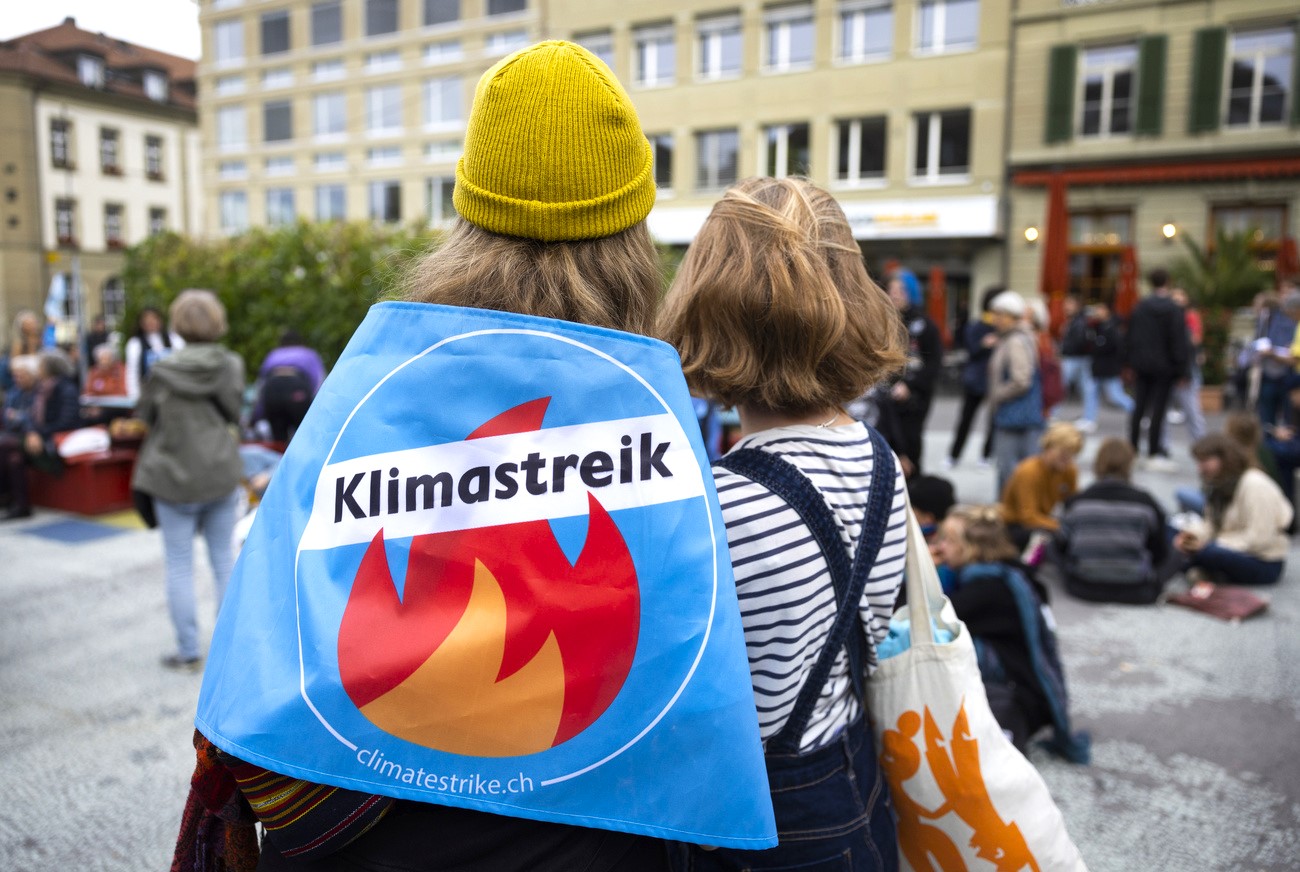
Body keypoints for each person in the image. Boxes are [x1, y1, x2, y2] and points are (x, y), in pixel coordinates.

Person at [179, 41, 676, 872]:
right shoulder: (656, 420)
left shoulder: (371, 394)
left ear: (466, 215)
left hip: (364, 837)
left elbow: (274, 641)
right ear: (632, 233)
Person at [659, 176, 907, 870]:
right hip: (853, 767)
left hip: (765, 814)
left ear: (710, 304)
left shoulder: (719, 506)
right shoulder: (879, 457)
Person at [131, 290, 244, 670]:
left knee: (179, 563)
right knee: (223, 560)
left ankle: (188, 649)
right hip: (218, 470)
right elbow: (233, 411)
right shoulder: (229, 364)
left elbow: (144, 415)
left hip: (171, 475)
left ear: (177, 324)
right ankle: (230, 650)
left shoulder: (161, 369)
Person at [932, 505, 1089, 761]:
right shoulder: (1011, 574)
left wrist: (931, 569)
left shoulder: (986, 591)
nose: (940, 547)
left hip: (1017, 698)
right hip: (1033, 692)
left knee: (941, 646)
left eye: (948, 540)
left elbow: (929, 619)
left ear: (968, 547)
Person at [1054, 438, 1173, 604]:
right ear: (1129, 465)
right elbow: (1159, 552)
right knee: (1177, 548)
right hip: (1137, 589)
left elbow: (1062, 546)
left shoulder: (1077, 502)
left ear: (1098, 465)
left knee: (1050, 544)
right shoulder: (1146, 502)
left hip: (1083, 586)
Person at [1174, 435, 1293, 586]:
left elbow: (1259, 538)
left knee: (1209, 554)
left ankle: (1198, 568)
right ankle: (1200, 568)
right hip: (1227, 547)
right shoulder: (1218, 485)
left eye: (1205, 462)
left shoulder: (1255, 485)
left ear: (1224, 460)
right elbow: (1210, 525)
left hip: (1262, 560)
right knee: (1171, 533)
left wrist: (1212, 545)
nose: (1200, 469)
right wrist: (1191, 536)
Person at [0, 350, 81, 519]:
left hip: (52, 443)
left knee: (5, 444)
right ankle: (21, 506)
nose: (38, 369)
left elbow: (67, 423)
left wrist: (37, 433)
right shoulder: (42, 389)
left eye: (41, 365)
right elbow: (29, 419)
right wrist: (32, 432)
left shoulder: (66, 389)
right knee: (15, 458)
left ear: (50, 368)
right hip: (37, 439)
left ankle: (6, 497)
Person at [1125, 268, 1190, 470]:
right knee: (1158, 411)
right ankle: (1153, 452)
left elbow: (1130, 336)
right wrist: (1182, 369)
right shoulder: (1173, 309)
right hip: (1165, 368)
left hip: (1143, 366)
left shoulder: (1141, 307)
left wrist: (1130, 362)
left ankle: (1132, 450)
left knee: (1139, 408)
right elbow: (1179, 341)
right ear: (1168, 282)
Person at [987, 290, 1043, 496]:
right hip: (1019, 416)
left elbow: (1021, 380)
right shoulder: (1017, 337)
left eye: (999, 315)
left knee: (1009, 471)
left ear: (1012, 316)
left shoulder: (1016, 341)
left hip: (1014, 416)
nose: (995, 319)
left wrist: (996, 395)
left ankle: (1010, 516)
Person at [886, 269, 942, 476]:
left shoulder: (925, 325)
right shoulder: (883, 322)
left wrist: (910, 385)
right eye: (891, 289)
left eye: (900, 289)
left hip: (915, 397)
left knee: (911, 443)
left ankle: (913, 488)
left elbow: (934, 364)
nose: (895, 294)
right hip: (886, 395)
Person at [999, 421, 1082, 550]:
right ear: (1048, 448)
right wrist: (1059, 526)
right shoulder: (1029, 471)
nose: (1067, 459)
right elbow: (1028, 517)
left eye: (1072, 455)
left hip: (1041, 521)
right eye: (1063, 454)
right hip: (1015, 526)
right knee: (1053, 538)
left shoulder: (1069, 470)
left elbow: (1074, 504)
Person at [946, 286, 999, 469]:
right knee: (966, 420)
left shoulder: (1003, 328)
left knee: (994, 422)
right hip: (976, 380)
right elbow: (971, 351)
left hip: (995, 382)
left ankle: (986, 455)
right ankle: (954, 455)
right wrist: (984, 344)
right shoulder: (976, 327)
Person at [253, 329, 327, 443]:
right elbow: (319, 382)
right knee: (302, 436)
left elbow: (261, 385)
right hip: (297, 388)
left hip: (272, 390)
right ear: (300, 342)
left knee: (278, 439)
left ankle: (279, 458)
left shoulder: (273, 354)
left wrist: (257, 415)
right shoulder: (308, 354)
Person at [1083, 300, 1134, 425]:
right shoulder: (1098, 327)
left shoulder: (1112, 329)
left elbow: (1115, 349)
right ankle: (1089, 419)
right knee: (1091, 393)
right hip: (1098, 368)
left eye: (1100, 309)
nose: (1096, 312)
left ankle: (1138, 412)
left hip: (1108, 368)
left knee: (1115, 395)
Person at [1253, 289, 1298, 426]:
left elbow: (1293, 356)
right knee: (1269, 415)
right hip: (1271, 371)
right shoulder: (1264, 319)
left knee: (1289, 418)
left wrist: (1272, 352)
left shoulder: (1289, 321)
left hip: (1287, 372)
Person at [124, 306, 184, 401]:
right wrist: (134, 396)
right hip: (148, 392)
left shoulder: (174, 339)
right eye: (147, 320)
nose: (150, 322)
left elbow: (182, 364)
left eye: (154, 318)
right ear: (141, 323)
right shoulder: (135, 343)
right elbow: (132, 372)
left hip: (171, 391)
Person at [1058, 295, 1094, 428]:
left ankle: (1051, 413)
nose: (1066, 307)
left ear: (1077, 306)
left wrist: (1065, 350)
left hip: (1075, 358)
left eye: (1069, 304)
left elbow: (1079, 341)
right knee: (1086, 388)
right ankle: (1088, 418)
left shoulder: (1079, 321)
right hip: (1077, 358)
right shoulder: (1075, 320)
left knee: (1060, 385)